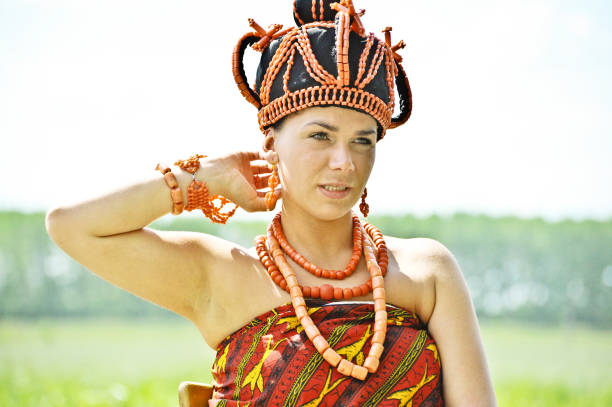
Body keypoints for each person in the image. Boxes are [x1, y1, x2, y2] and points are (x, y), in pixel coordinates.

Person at [45, 0, 497, 405]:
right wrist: (204, 177)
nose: (345, 162)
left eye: (363, 141)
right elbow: (71, 226)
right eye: (320, 136)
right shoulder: (220, 275)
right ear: (272, 145)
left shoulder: (427, 272)